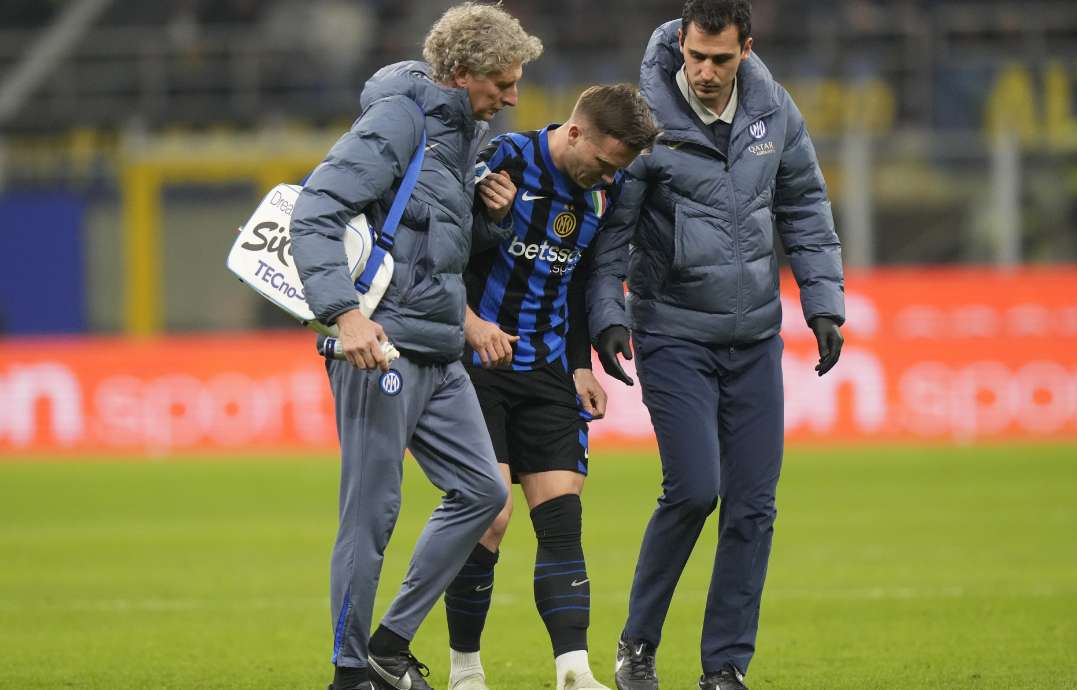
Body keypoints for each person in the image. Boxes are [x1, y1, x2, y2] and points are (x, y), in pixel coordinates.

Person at [584, 2, 846, 689]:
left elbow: (805, 209)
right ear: (679, 43)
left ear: (746, 50)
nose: (704, 72)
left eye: (720, 60)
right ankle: (637, 646)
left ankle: (725, 668)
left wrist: (823, 302)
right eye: (695, 56)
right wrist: (607, 314)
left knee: (754, 507)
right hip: (672, 332)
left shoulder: (774, 111)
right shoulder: (645, 126)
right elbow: (613, 233)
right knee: (696, 490)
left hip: (756, 335)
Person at [288, 5, 542, 690]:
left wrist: (489, 218)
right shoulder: (399, 120)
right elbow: (314, 212)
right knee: (373, 513)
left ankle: (389, 643)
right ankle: (349, 672)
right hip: (381, 348)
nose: (512, 96)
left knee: (483, 493)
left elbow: (435, 252)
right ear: (462, 74)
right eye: (502, 82)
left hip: (437, 348)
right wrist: (344, 316)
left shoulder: (463, 136)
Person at [443, 84, 660, 690]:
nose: (608, 176)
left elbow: (582, 278)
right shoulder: (504, 160)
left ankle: (573, 671)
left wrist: (582, 362)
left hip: (547, 368)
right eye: (604, 162)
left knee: (562, 515)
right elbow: (442, 255)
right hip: (475, 364)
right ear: (573, 133)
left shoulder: (605, 192)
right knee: (490, 516)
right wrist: (472, 322)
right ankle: (465, 669)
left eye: (619, 169)